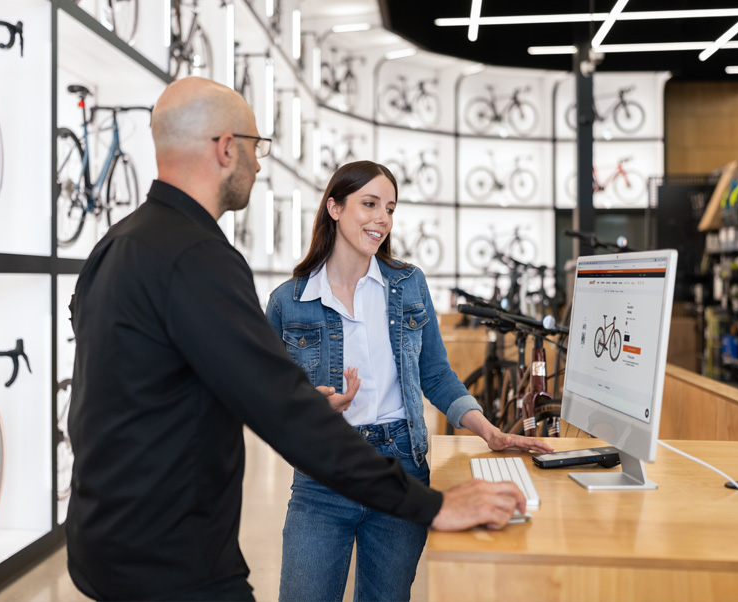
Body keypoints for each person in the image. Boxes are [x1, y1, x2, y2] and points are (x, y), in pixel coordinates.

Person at [66, 77, 534, 602]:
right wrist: (435, 505)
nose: (259, 163)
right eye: (256, 146)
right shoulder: (200, 260)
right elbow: (281, 408)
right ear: (226, 148)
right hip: (168, 555)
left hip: (104, 539)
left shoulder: (117, 245)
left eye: (390, 208)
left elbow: (124, 389)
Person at [266, 161, 554, 602]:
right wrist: (309, 406)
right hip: (322, 475)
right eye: (369, 204)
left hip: (402, 465)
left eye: (390, 208)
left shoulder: (408, 284)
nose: (382, 218)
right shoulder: (289, 301)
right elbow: (267, 398)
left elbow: (435, 374)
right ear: (334, 208)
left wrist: (488, 431)